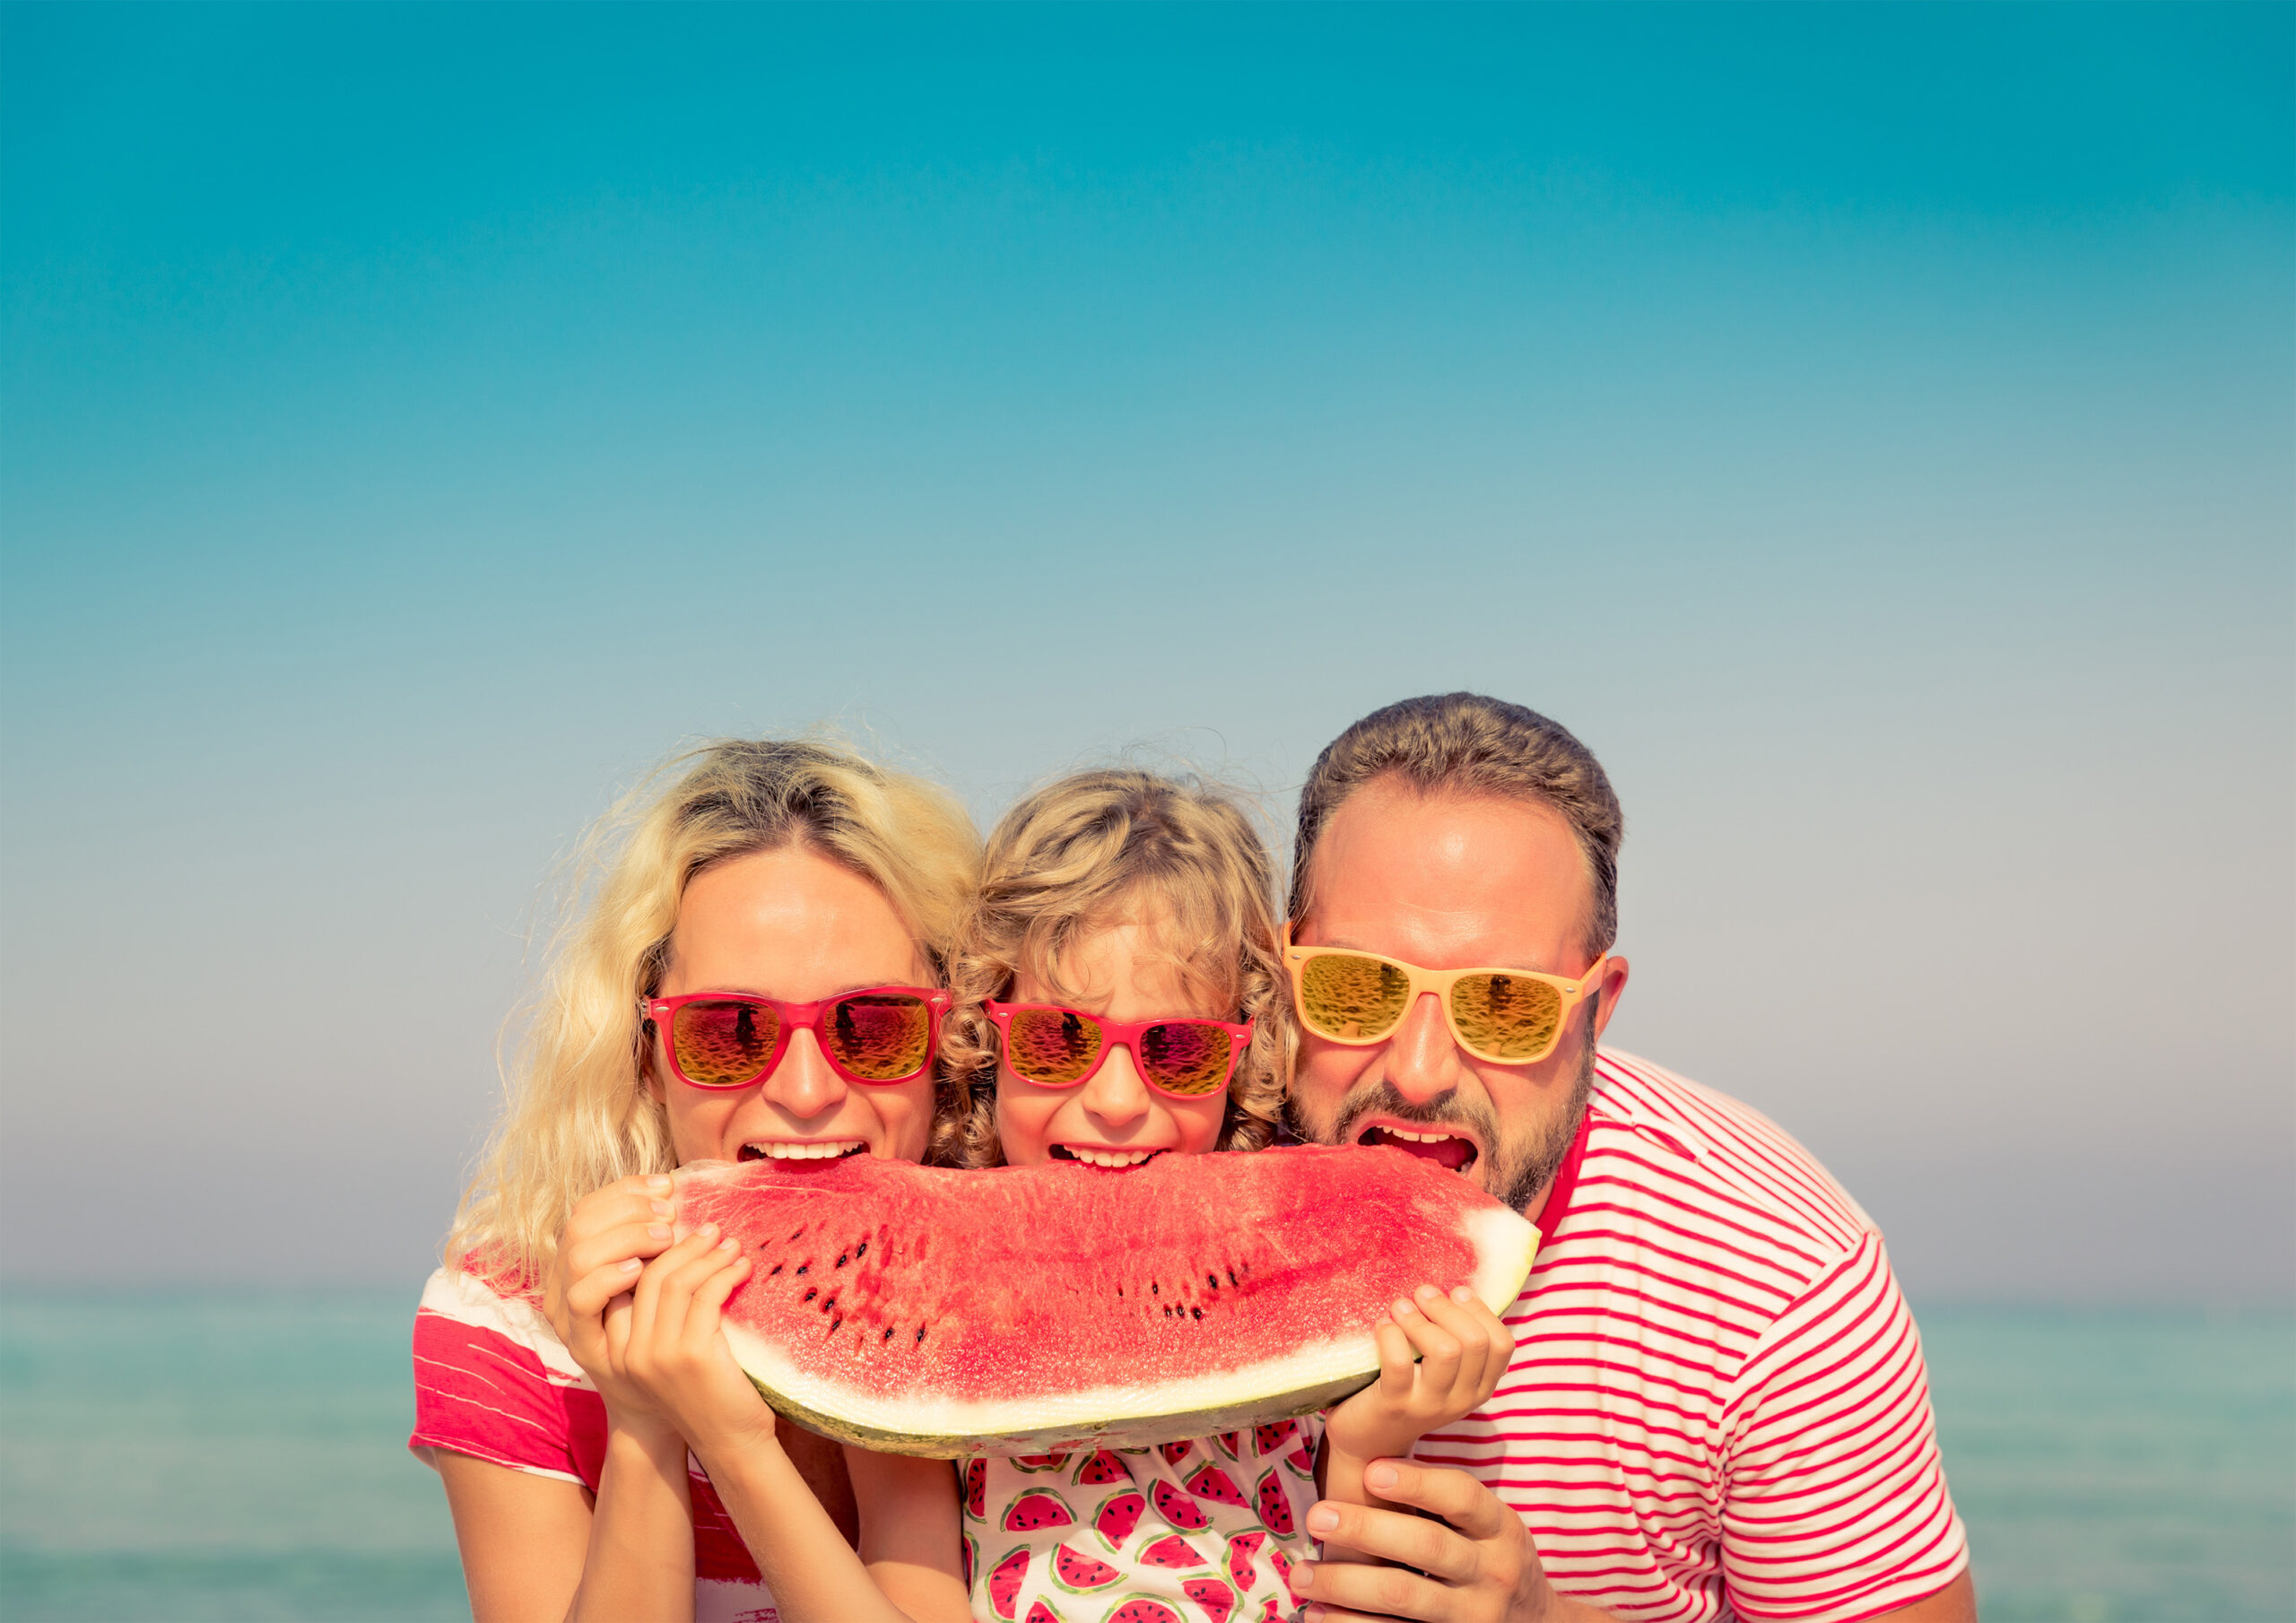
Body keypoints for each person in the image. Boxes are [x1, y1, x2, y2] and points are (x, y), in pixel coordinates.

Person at [613, 768, 1518, 1623]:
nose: (1117, 1103)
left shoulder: (1303, 1294)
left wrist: (1367, 1444)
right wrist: (735, 1448)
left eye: (1176, 1051)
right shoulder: (919, 1309)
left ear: (1239, 1061)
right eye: (1054, 1041)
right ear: (983, 1035)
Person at [1276, 694, 1977, 1623]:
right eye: (1356, 986)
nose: (1417, 1072)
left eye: (1502, 1002)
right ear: (1279, 969)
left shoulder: (1781, 1276)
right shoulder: (1172, 1119)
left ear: (1596, 1007)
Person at [407, 737, 980, 1623]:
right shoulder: (502, 1324)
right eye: (731, 1030)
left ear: (951, 1043)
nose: (805, 1091)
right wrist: (643, 1426)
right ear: (645, 1053)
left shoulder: (1012, 1288)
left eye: (872, 1027)